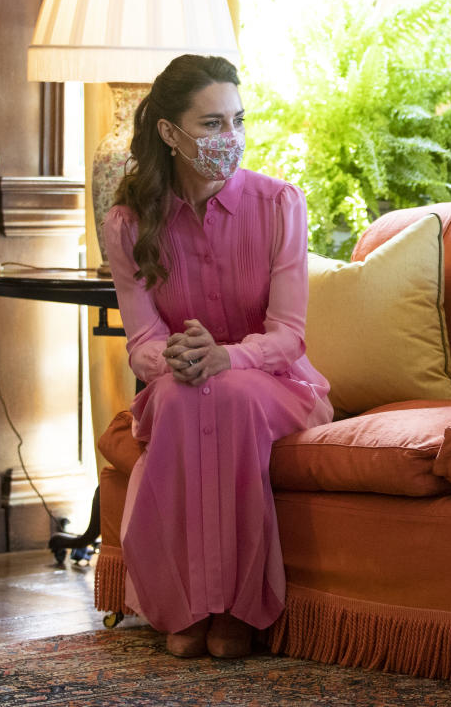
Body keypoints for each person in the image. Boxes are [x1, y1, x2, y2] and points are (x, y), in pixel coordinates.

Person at [103, 54, 333, 659]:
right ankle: (183, 605)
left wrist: (226, 358)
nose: (228, 138)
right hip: (183, 381)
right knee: (184, 397)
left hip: (277, 382)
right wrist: (176, 359)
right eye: (210, 125)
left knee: (221, 393)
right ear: (169, 132)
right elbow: (143, 342)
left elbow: (289, 335)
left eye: (237, 120)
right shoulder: (128, 224)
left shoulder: (279, 204)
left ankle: (233, 608)